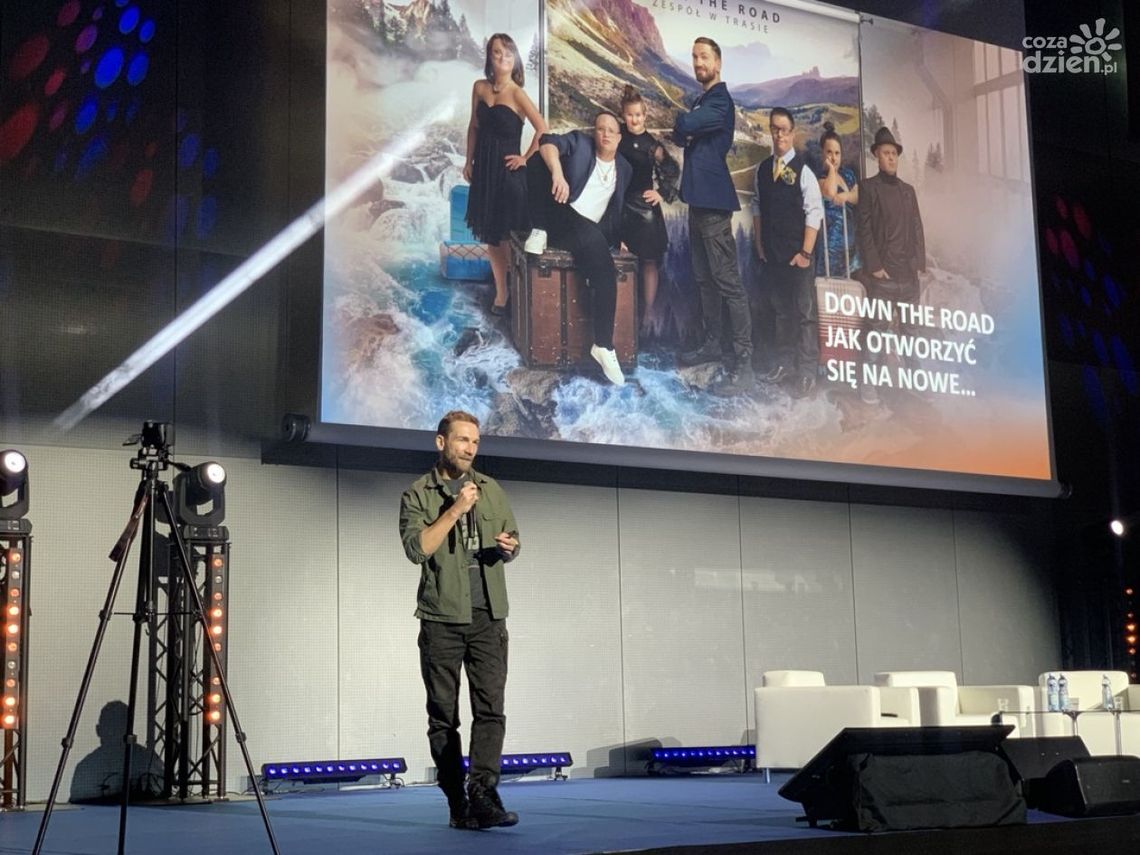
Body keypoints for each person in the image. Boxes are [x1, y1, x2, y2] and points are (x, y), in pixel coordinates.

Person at [398, 411, 522, 830]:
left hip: (488, 614)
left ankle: (484, 794)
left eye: (475, 442)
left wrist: (509, 547)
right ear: (441, 443)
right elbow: (418, 549)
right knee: (443, 716)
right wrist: (454, 509)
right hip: (442, 619)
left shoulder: (492, 489)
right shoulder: (418, 494)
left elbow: (513, 539)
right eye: (462, 440)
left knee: (491, 710)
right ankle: (457, 801)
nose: (470, 449)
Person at [525, 111, 632, 386]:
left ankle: (603, 346)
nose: (605, 134)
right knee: (540, 161)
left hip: (589, 232)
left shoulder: (625, 169)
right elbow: (547, 140)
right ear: (594, 132)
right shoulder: (581, 144)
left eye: (611, 130)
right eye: (600, 129)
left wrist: (621, 236)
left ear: (619, 138)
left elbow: (622, 208)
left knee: (605, 269)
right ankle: (539, 229)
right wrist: (558, 173)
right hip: (561, 215)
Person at [674, 37, 753, 396]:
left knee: (728, 284)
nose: (697, 62)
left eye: (704, 56)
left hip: (714, 206)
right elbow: (682, 133)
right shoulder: (703, 100)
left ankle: (743, 364)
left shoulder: (720, 100)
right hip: (698, 202)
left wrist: (685, 121)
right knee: (705, 280)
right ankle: (712, 345)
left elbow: (686, 125)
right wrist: (686, 124)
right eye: (694, 56)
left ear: (718, 63)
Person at [463, 34, 547, 316]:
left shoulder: (517, 93)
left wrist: (525, 158)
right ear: (489, 56)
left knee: (510, 238)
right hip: (484, 171)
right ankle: (502, 293)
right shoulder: (479, 87)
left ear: (515, 60)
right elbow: (474, 126)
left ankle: (519, 291)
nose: (502, 58)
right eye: (497, 52)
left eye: (508, 54)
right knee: (491, 235)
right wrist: (468, 161)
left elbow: (542, 129)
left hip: (508, 174)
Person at [752, 107, 823, 398]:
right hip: (774, 255)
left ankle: (807, 372)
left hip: (799, 256)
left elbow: (814, 212)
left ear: (793, 133)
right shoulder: (763, 170)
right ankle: (784, 364)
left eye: (784, 129)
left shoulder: (804, 171)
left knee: (805, 313)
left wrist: (805, 253)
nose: (779, 134)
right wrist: (759, 244)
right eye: (774, 129)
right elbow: (757, 205)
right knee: (781, 312)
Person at [856, 126, 927, 404]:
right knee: (876, 332)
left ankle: (916, 380)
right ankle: (868, 385)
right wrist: (874, 267)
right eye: (885, 153)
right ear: (876, 155)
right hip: (882, 277)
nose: (891, 158)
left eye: (894, 153)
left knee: (911, 332)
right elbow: (864, 230)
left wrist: (919, 264)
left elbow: (917, 228)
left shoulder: (908, 191)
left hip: (908, 278)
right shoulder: (868, 188)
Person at [617, 84, 679, 321]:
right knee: (621, 260)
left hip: (645, 212)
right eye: (630, 115)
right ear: (624, 115)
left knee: (649, 262)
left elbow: (673, 169)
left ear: (645, 115)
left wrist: (661, 193)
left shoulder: (653, 145)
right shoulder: (618, 137)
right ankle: (623, 313)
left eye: (638, 115)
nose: (634, 119)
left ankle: (649, 313)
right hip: (621, 206)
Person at [816, 121, 860, 280]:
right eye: (829, 152)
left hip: (851, 245)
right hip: (831, 246)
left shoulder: (848, 175)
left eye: (837, 153)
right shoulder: (820, 177)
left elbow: (858, 196)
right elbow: (829, 192)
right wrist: (832, 170)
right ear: (822, 153)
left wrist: (845, 196)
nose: (834, 157)